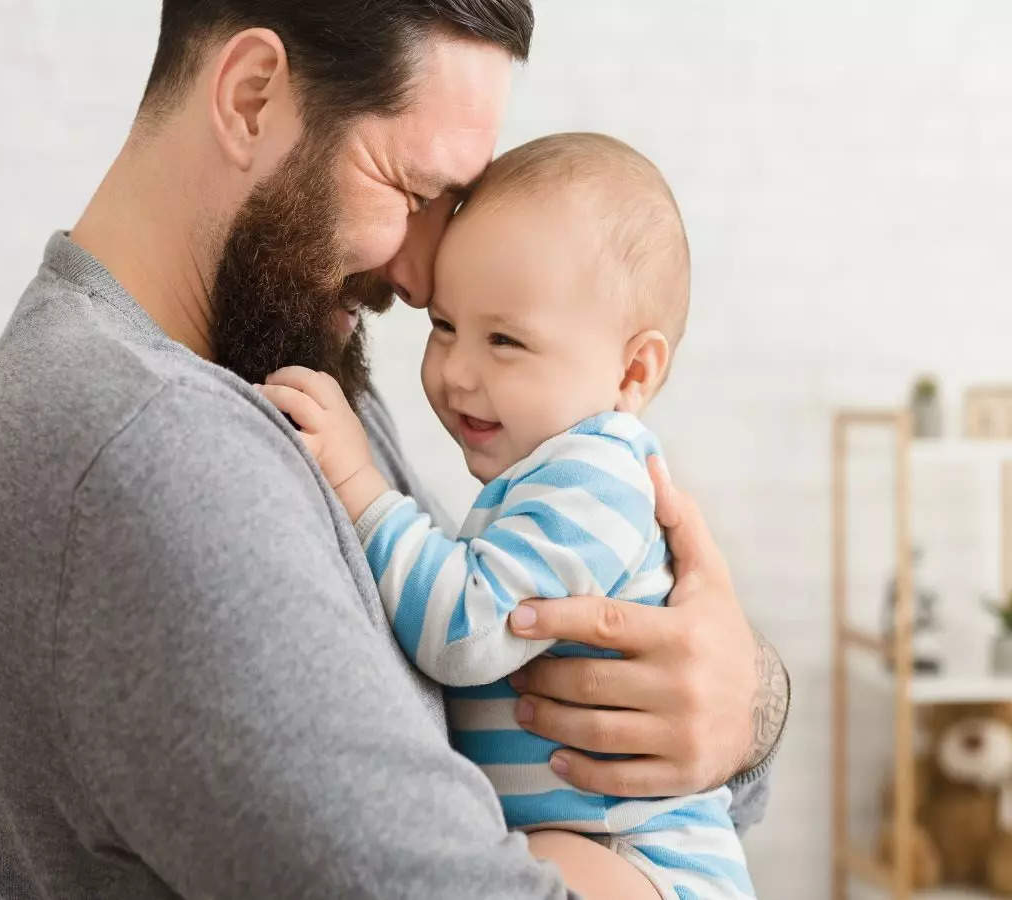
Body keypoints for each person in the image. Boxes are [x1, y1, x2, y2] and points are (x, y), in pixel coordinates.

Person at [0, 3, 789, 898]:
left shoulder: (275, 362)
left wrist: (745, 708)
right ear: (252, 97)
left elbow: (480, 640)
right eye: (412, 193)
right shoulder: (152, 449)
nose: (423, 278)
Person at [261, 132, 754, 900]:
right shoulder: (546, 480)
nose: (457, 371)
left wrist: (359, 486)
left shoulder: (596, 479)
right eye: (445, 327)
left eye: (505, 340)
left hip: (645, 861)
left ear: (633, 371)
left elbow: (465, 629)